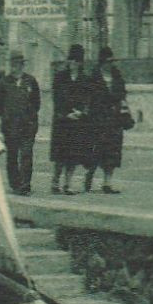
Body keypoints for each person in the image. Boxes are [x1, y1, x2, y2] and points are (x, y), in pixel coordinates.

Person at [0, 51, 40, 196]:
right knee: (12, 155)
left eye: (18, 64)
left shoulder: (30, 81)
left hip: (27, 125)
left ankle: (25, 185)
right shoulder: (4, 82)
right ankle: (15, 184)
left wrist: (30, 117)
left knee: (26, 154)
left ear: (22, 65)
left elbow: (37, 103)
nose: (15, 67)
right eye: (13, 64)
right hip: (10, 125)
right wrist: (6, 116)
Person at [83, 47, 129, 194]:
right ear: (102, 62)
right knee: (96, 150)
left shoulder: (117, 76)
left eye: (112, 61)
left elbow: (122, 95)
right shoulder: (94, 78)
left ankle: (107, 183)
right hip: (99, 119)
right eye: (107, 61)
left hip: (114, 119)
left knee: (113, 151)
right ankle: (90, 173)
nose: (110, 64)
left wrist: (123, 109)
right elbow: (89, 99)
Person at [48, 44, 89, 195]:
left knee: (73, 154)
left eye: (77, 61)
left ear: (80, 63)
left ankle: (68, 184)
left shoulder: (84, 79)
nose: (74, 64)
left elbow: (87, 99)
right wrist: (66, 114)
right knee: (60, 155)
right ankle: (55, 182)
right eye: (71, 61)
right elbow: (57, 99)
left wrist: (81, 112)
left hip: (77, 121)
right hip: (62, 122)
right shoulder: (60, 77)